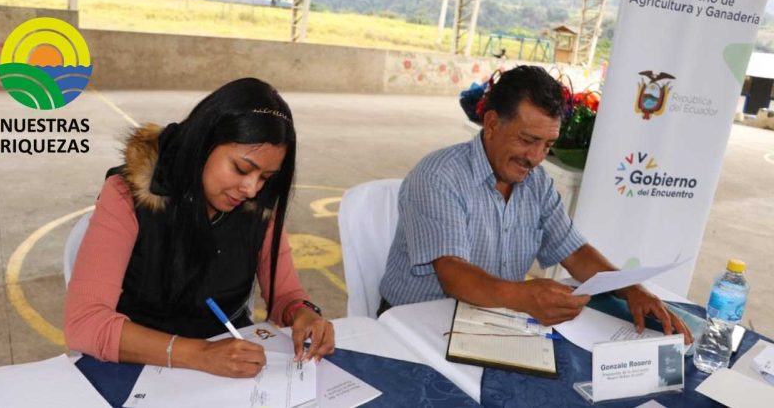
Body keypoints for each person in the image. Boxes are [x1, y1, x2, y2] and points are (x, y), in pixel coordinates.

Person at [378, 65, 692, 343]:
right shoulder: (439, 176)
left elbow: (576, 252)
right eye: (527, 140)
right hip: (415, 325)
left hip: (495, 320)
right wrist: (525, 295)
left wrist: (631, 289)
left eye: (548, 145)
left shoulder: (536, 183)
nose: (535, 158)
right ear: (490, 123)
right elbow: (454, 274)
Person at [64, 78, 335, 378]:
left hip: (228, 365)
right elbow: (86, 323)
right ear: (204, 144)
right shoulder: (128, 195)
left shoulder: (259, 205)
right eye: (241, 169)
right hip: (139, 365)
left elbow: (285, 296)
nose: (251, 189)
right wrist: (200, 354)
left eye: (266, 177)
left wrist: (303, 312)